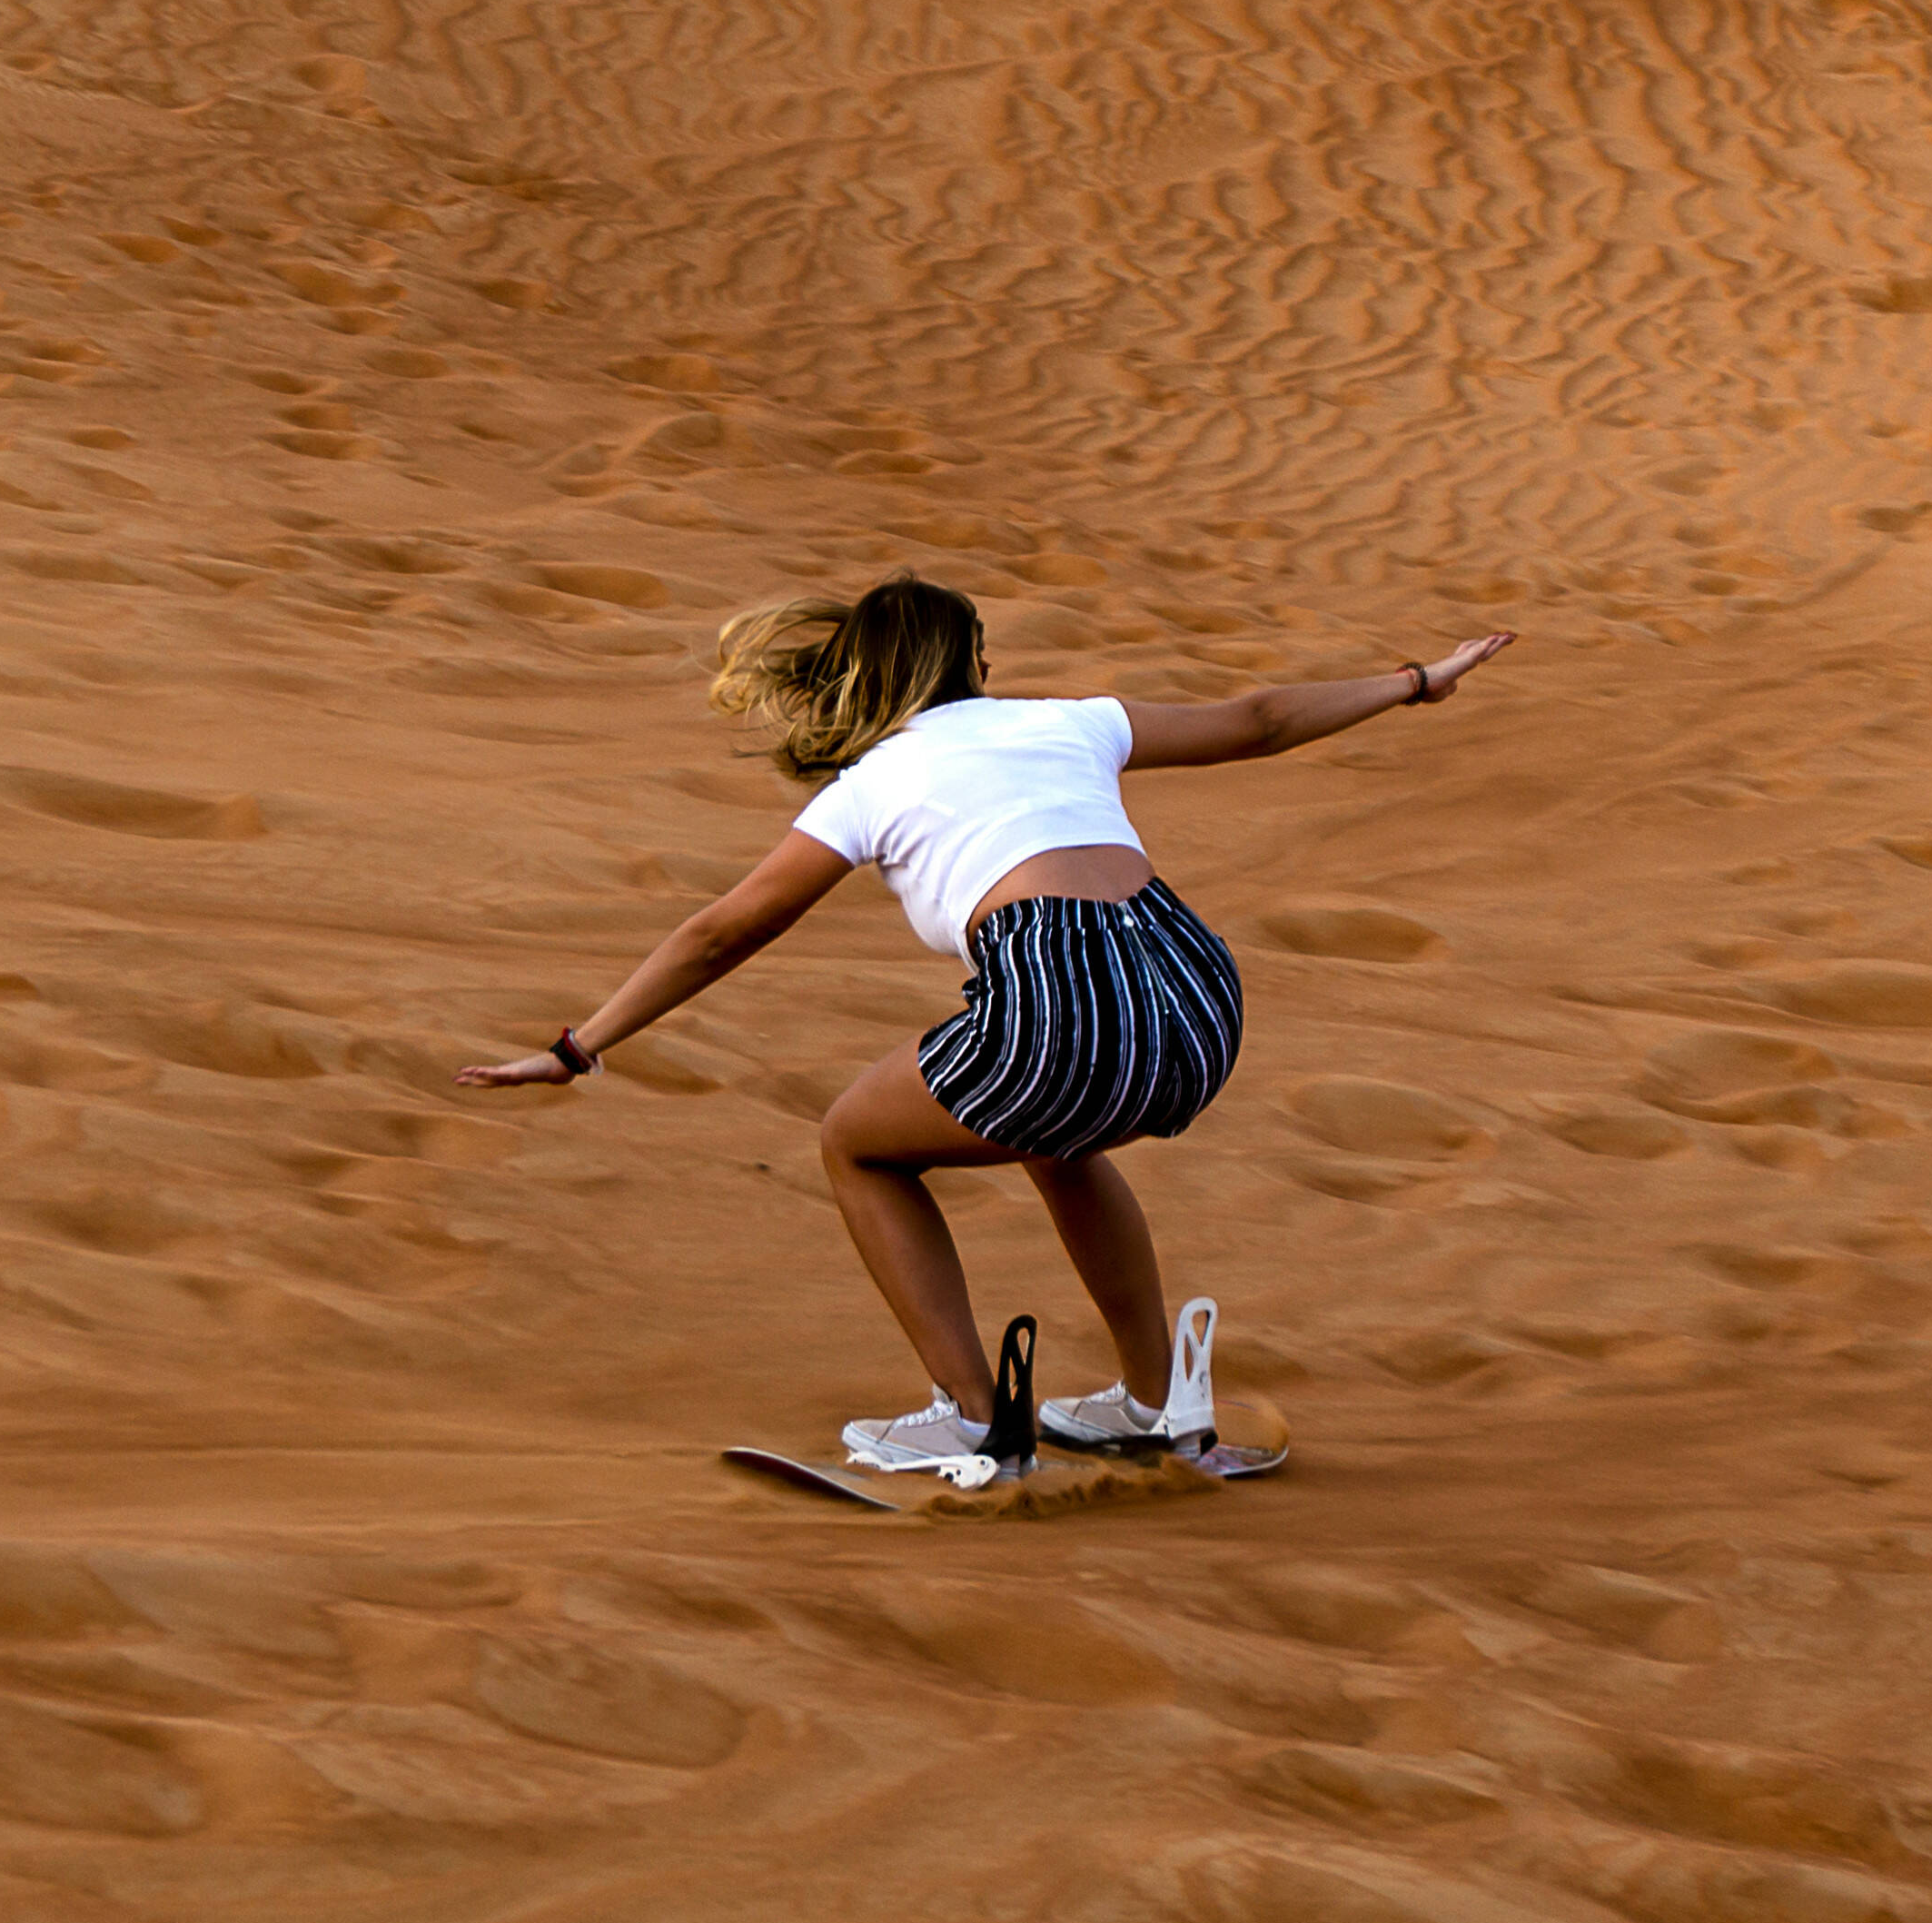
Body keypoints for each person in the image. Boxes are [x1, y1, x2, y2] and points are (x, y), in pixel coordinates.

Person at [461, 574, 1514, 1466]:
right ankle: (1154, 1405)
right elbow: (1260, 718)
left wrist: (576, 1046)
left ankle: (970, 1419)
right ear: (970, 658)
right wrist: (1416, 681)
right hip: (1196, 993)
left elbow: (720, 930)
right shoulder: (1066, 717)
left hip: (1065, 994)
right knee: (1057, 1140)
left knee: (854, 1143)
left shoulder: (870, 784)